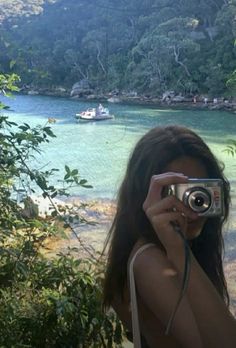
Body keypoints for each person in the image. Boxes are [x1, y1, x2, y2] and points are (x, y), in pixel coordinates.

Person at [103, 125, 236, 348]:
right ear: (145, 196)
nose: (193, 207)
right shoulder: (150, 260)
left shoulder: (175, 249)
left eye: (199, 191)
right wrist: (177, 248)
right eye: (175, 193)